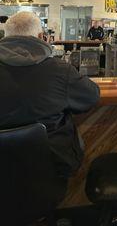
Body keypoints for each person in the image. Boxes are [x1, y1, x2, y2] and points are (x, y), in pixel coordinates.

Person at [0, 12, 100, 178]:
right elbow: (92, 96)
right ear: (41, 37)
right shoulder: (61, 70)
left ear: (5, 36)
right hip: (50, 169)